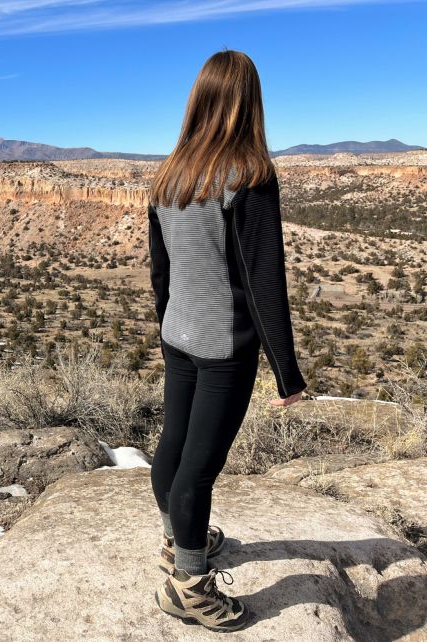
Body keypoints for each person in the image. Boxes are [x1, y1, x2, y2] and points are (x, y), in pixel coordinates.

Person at [146, 49, 307, 632]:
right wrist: (288, 374)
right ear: (247, 102)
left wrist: (168, 330)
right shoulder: (248, 176)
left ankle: (176, 541)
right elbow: (267, 281)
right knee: (199, 468)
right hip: (223, 348)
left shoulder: (170, 175)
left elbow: (161, 272)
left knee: (173, 446)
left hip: (180, 334)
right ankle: (189, 585)